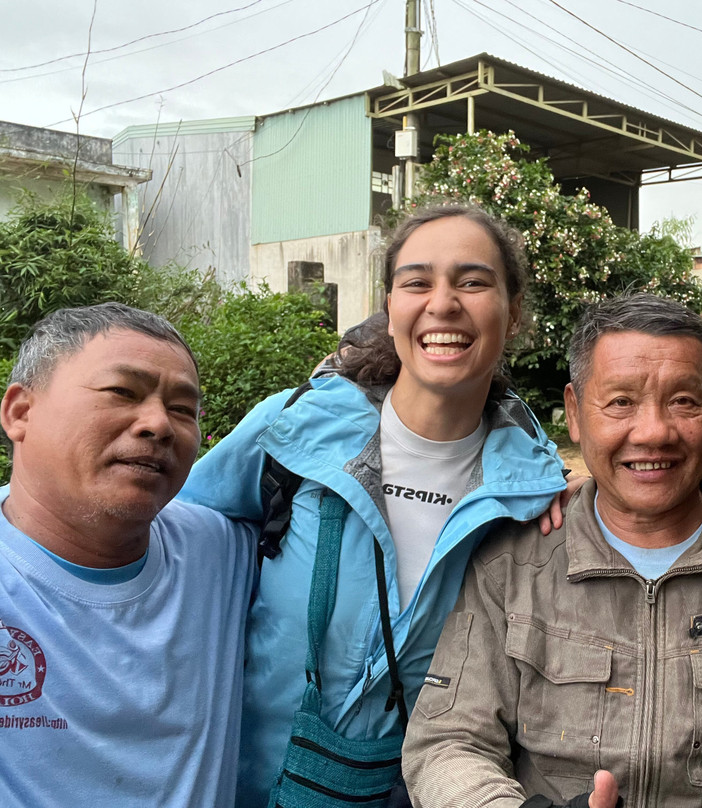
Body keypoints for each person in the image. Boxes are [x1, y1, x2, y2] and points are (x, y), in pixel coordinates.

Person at [180, 204, 567, 807]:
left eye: (472, 281)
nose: (443, 303)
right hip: (245, 787)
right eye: (417, 282)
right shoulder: (292, 433)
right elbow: (162, 548)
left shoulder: (532, 497)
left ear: (513, 314)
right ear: (390, 309)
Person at [402, 293, 702, 808]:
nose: (653, 432)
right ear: (575, 413)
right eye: (620, 402)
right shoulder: (512, 566)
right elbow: (447, 742)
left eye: (684, 400)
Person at [0, 303, 256, 807]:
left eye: (183, 409)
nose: (158, 424)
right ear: (20, 413)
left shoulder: (220, 551)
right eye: (122, 392)